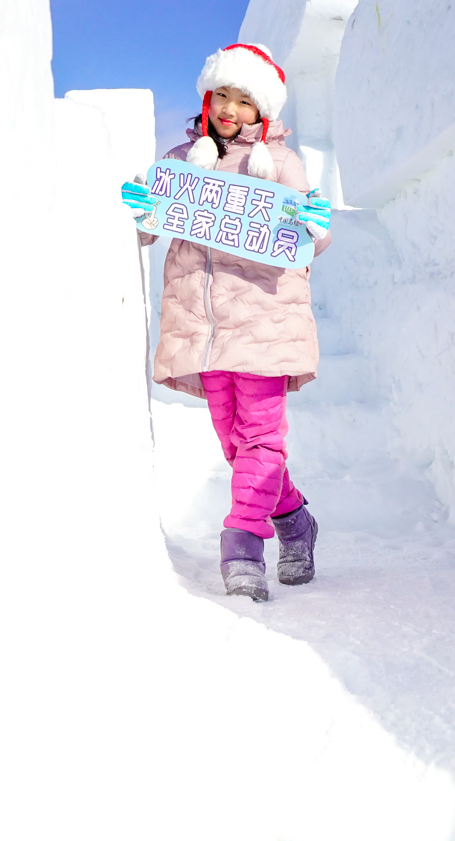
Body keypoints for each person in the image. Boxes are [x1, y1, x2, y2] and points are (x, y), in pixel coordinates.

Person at [120, 43, 332, 601]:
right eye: (222, 97)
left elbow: (309, 239)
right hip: (203, 327)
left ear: (262, 109)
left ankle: (242, 545)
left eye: (244, 100)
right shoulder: (182, 160)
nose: (230, 110)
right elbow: (149, 230)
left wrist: (316, 224)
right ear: (208, 98)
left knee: (261, 439)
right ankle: (295, 522)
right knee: (236, 446)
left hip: (265, 321)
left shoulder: (281, 164)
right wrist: (140, 210)